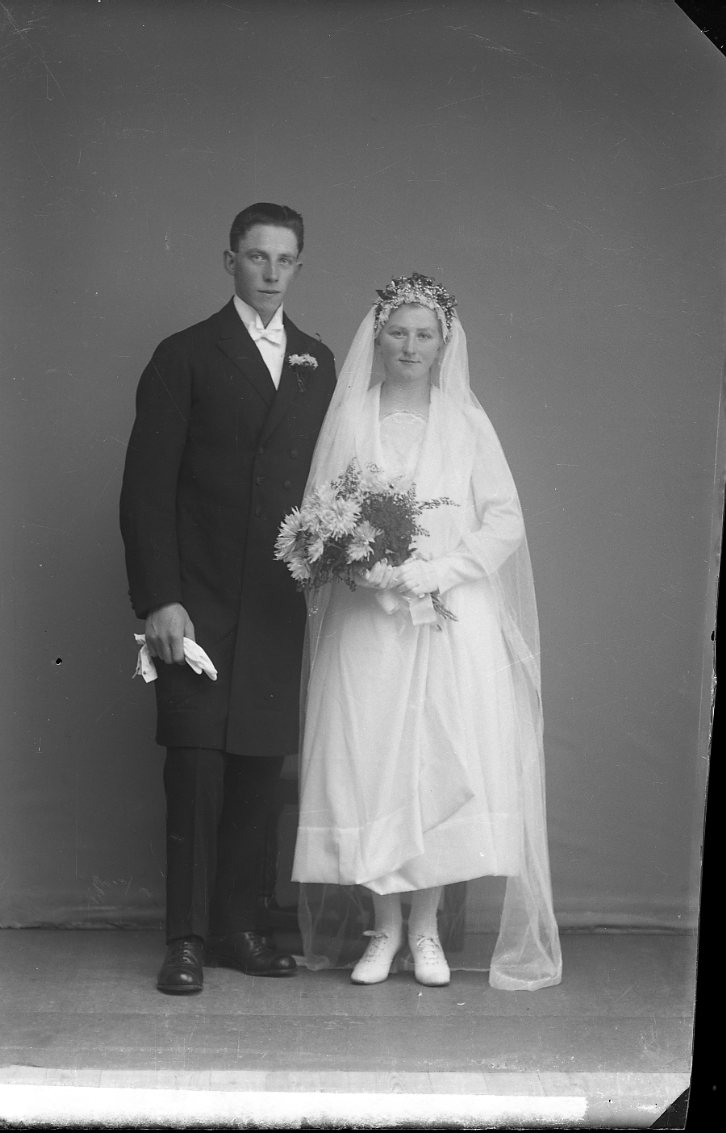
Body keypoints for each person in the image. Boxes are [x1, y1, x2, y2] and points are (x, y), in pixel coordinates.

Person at [291, 273, 562, 990]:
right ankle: (382, 929)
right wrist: (365, 567)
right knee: (371, 763)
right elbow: (320, 514)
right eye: (398, 333)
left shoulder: (466, 422)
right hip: (369, 622)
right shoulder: (352, 417)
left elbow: (504, 518)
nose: (410, 347)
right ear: (377, 338)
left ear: (444, 344)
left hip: (447, 619)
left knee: (435, 765)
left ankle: (426, 929)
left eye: (424, 335)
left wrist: (440, 569)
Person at [120, 203, 336, 994]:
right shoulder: (183, 355)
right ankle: (185, 939)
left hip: (277, 604)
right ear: (229, 262)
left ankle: (239, 927)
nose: (271, 272)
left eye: (284, 259)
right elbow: (145, 491)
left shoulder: (317, 361)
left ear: (299, 266)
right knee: (196, 772)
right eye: (256, 257)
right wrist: (160, 598)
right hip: (198, 600)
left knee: (255, 774)